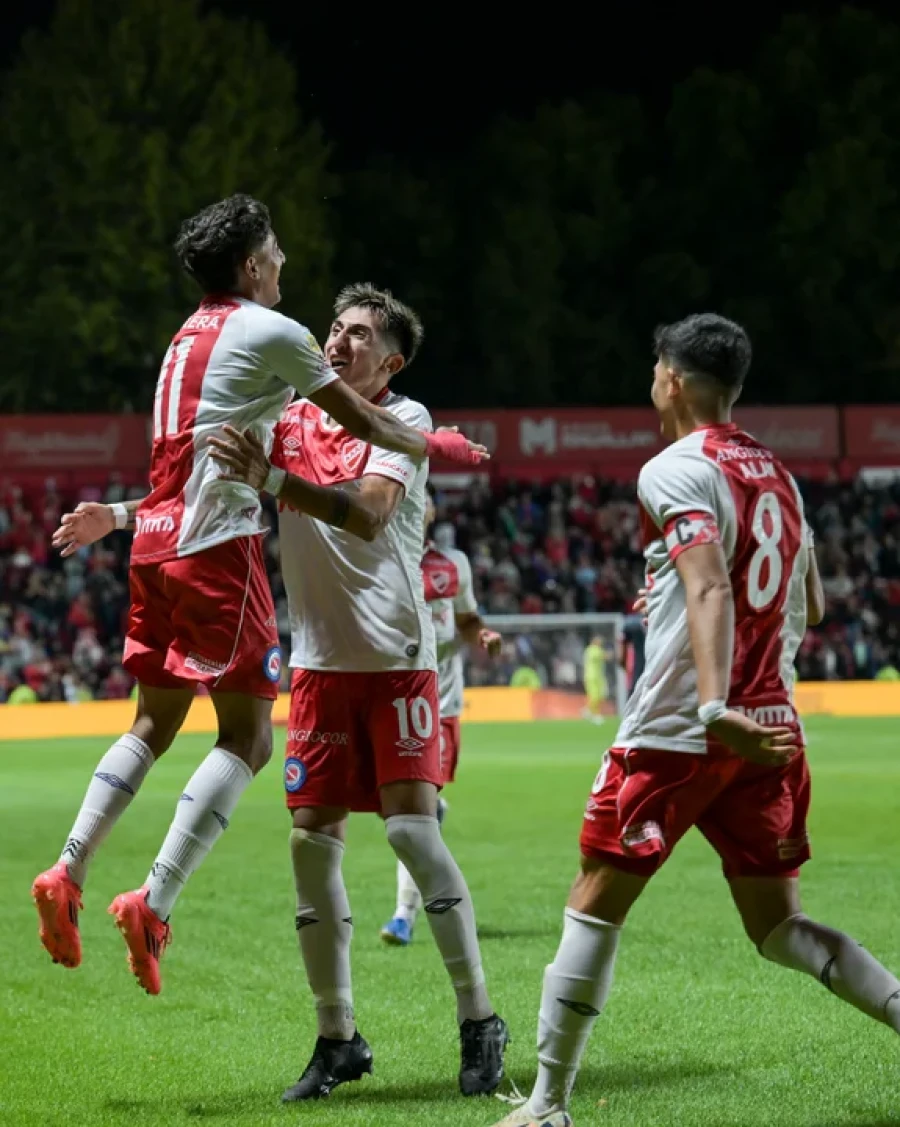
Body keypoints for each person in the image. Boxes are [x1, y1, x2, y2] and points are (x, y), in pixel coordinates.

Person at [33, 196, 486, 996]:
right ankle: (155, 898)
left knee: (153, 719)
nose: (284, 264)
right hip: (217, 553)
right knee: (246, 737)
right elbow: (369, 423)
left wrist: (117, 514)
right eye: (274, 251)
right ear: (250, 264)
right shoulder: (277, 337)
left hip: (155, 542)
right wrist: (439, 443)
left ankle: (68, 867)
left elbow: (189, 464)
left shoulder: (185, 339)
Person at [489, 313, 900, 1127]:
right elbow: (808, 602)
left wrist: (714, 704)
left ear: (670, 379)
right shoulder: (777, 472)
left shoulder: (673, 467)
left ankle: (545, 1104)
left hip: (683, 729)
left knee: (592, 901)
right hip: (773, 731)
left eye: (653, 368)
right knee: (781, 929)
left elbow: (710, 583)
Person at [208, 284, 509, 1101]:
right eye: (334, 329)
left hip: (394, 658)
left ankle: (479, 1017)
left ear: (392, 361)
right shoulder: (294, 409)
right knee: (311, 844)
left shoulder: (403, 420)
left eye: (359, 335)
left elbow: (371, 515)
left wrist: (271, 478)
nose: (338, 343)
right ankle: (336, 1035)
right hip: (316, 664)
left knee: (412, 834)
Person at [380, 491, 502, 947]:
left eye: (425, 495)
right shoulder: (378, 559)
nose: (419, 501)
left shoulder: (452, 565)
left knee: (415, 811)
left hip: (440, 704)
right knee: (402, 810)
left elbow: (468, 618)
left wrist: (482, 633)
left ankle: (404, 915)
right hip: (388, 697)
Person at [580, 635, 609, 724]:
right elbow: (605, 656)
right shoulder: (593, 650)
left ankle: (588, 711)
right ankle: (595, 714)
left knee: (598, 696)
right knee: (595, 696)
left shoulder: (590, 650)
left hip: (596, 676)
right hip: (592, 677)